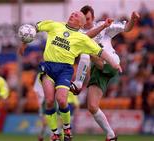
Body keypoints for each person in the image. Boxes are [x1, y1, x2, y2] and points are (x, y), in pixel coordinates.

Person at [19, 11, 122, 141]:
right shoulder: (54, 25)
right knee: (50, 101)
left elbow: (99, 51)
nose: (72, 15)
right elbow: (33, 29)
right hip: (48, 67)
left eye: (76, 15)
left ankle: (67, 129)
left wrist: (113, 63)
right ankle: (55, 133)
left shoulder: (82, 38)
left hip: (65, 70)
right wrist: (23, 43)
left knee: (62, 100)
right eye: (72, 14)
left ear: (81, 23)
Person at [70, 5, 140, 141]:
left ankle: (78, 84)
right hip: (98, 69)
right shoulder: (77, 34)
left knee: (86, 51)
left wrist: (132, 20)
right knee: (92, 106)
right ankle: (111, 135)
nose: (86, 22)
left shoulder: (103, 26)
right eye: (84, 19)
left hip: (111, 62)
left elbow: (126, 28)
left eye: (89, 19)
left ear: (93, 18)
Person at [33, 74, 79, 141]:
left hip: (59, 105)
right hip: (45, 102)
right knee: (46, 123)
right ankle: (44, 135)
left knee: (59, 124)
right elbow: (37, 90)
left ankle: (59, 136)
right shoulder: (41, 75)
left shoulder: (57, 78)